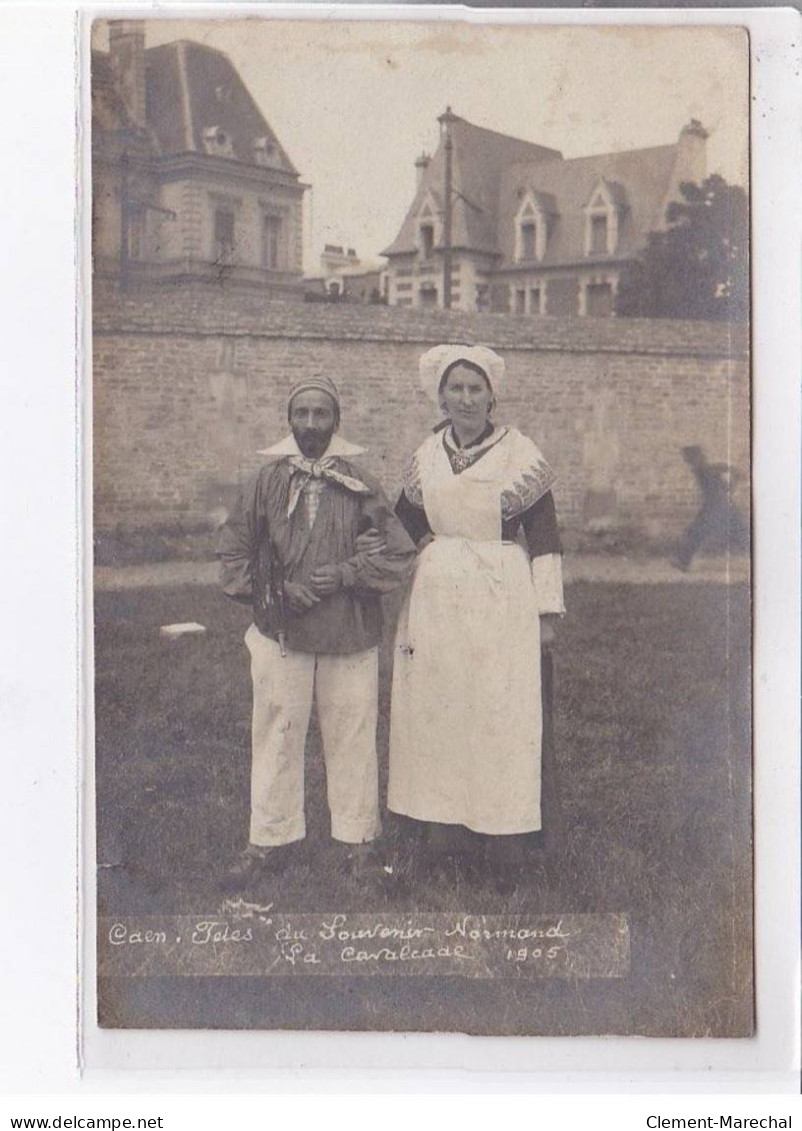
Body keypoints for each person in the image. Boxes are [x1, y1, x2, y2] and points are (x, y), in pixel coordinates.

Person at [218, 374, 415, 887]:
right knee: (277, 731)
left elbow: (398, 553)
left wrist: (347, 574)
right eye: (301, 413)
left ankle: (358, 844)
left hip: (348, 632)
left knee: (352, 733)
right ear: (289, 420)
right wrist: (279, 593)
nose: (310, 423)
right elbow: (236, 550)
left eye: (320, 414)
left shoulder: (360, 483)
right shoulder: (265, 481)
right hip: (281, 633)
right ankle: (270, 840)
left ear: (336, 421)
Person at [388, 345, 565, 872]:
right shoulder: (426, 453)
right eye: (455, 389)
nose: (465, 399)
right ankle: (443, 832)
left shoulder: (520, 452)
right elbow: (403, 518)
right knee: (437, 707)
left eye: (474, 388)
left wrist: (547, 613)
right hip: (437, 595)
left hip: (501, 591)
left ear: (492, 395)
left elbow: (546, 535)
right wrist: (426, 552)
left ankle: (504, 834)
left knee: (497, 709)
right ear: (440, 395)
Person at [672, 446, 749, 571]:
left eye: (689, 459)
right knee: (741, 532)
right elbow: (724, 485)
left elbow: (723, 481)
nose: (688, 462)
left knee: (696, 533)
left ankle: (683, 561)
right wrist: (733, 479)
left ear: (696, 458)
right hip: (719, 506)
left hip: (716, 508)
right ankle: (683, 561)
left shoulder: (704, 470)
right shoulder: (703, 471)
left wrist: (733, 475)